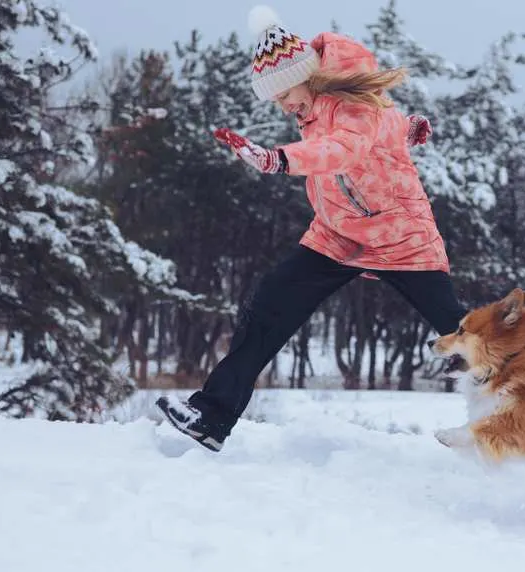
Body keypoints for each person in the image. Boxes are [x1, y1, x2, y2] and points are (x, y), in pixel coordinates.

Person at [155, 6, 467, 452]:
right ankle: (211, 416)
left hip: (398, 235)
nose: (284, 106)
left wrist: (278, 159)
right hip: (337, 234)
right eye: (276, 100)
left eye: (285, 93)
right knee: (268, 306)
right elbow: (378, 127)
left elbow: (343, 148)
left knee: (464, 335)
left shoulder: (352, 105)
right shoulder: (320, 107)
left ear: (308, 76)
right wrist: (406, 128)